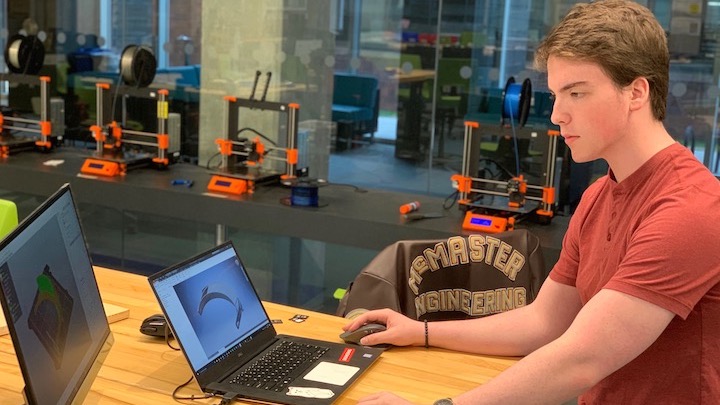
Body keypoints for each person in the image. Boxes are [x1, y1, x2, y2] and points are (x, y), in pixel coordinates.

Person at [344, 1, 720, 404]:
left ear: (637, 92)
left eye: (576, 93)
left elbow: (582, 358)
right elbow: (545, 322)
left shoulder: (690, 210)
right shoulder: (599, 195)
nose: (557, 114)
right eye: (557, 94)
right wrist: (420, 331)